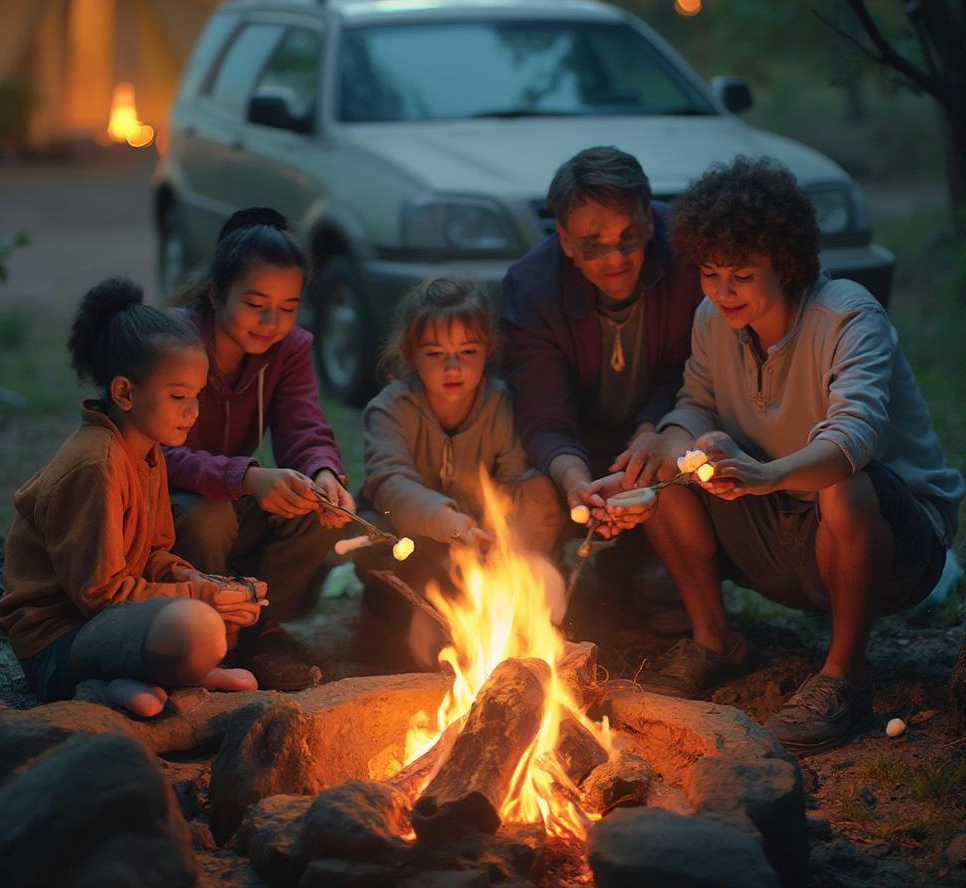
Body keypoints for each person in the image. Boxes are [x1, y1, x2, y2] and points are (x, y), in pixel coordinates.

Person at [609, 156, 963, 752]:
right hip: (779, 533)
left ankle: (843, 677)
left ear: (786, 262)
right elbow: (696, 404)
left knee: (844, 482)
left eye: (742, 276)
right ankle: (715, 639)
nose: (723, 292)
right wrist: (671, 450)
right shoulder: (712, 320)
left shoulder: (847, 315)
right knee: (666, 462)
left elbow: (854, 438)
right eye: (710, 274)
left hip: (891, 548)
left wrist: (767, 474)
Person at [0, 278, 264, 717]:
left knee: (211, 621)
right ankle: (103, 683)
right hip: (57, 644)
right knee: (196, 625)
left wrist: (208, 584)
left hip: (109, 623)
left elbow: (155, 552)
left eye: (197, 396)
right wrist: (198, 599)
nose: (193, 411)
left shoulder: (147, 452)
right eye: (178, 396)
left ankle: (145, 679)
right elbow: (101, 594)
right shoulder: (95, 465)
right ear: (124, 392)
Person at [500, 145, 704, 633]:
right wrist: (576, 483)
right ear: (565, 241)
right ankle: (541, 601)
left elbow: (692, 369)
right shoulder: (532, 287)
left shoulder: (688, 258)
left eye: (629, 237)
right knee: (533, 492)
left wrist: (650, 431)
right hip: (577, 442)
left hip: (665, 426)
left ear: (650, 221)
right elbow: (544, 416)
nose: (616, 257)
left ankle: (659, 576)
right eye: (594, 244)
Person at [165, 207, 355, 690]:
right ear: (215, 292)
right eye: (255, 303)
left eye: (288, 307)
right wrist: (248, 478)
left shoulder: (289, 350)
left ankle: (256, 629)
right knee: (208, 515)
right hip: (165, 518)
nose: (272, 321)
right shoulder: (172, 342)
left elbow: (304, 425)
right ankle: (202, 634)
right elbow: (157, 455)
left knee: (316, 510)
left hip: (234, 499)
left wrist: (325, 474)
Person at [358, 276, 563, 666]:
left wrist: (498, 530)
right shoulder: (391, 409)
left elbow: (515, 478)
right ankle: (400, 624)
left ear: (488, 350)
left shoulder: (499, 404)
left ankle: (520, 616)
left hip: (481, 537)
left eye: (467, 351)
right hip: (415, 536)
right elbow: (389, 482)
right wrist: (446, 521)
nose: (453, 367)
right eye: (435, 353)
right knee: (384, 544)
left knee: (539, 493)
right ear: (410, 353)